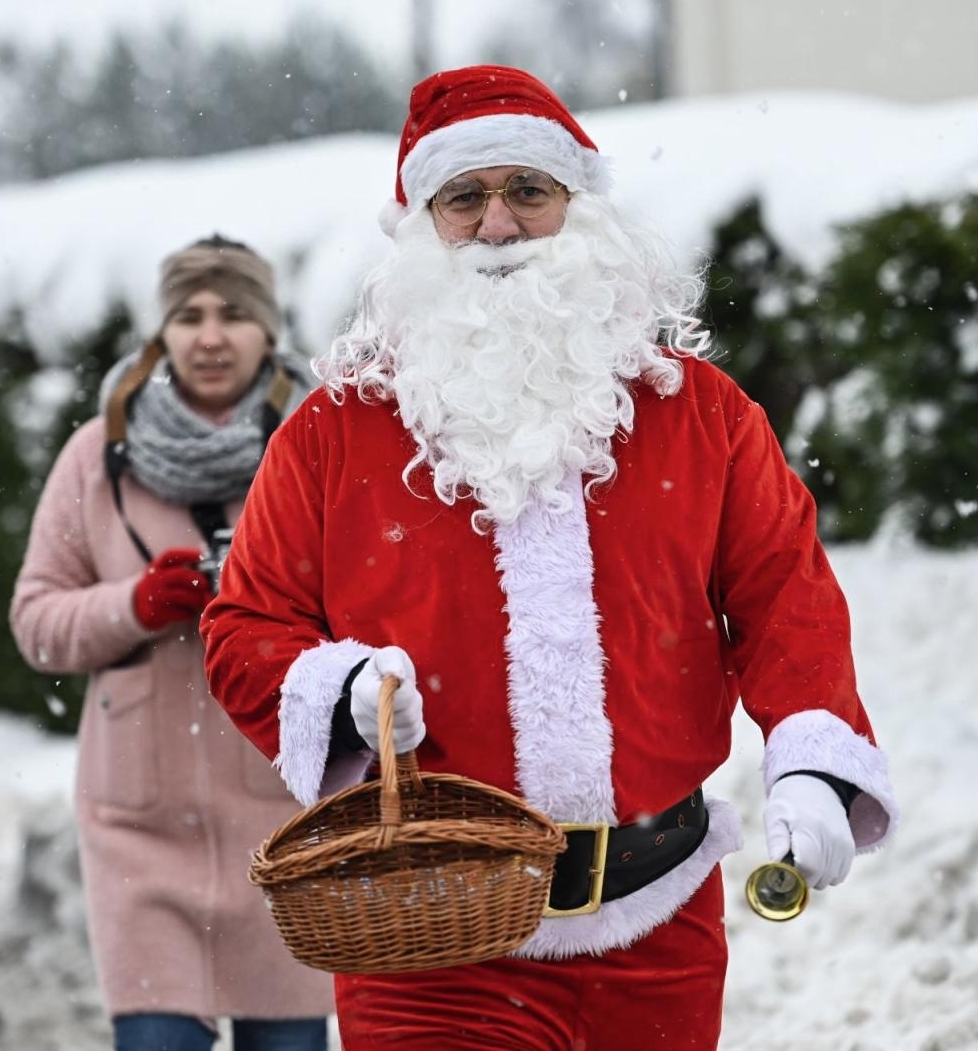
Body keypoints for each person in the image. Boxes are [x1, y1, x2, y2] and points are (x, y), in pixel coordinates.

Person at [202, 67, 898, 1049]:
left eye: (529, 192)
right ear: (419, 224)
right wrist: (339, 687)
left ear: (582, 210)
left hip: (660, 925)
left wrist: (813, 761)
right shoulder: (334, 433)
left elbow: (787, 599)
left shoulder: (701, 414)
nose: (498, 227)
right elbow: (245, 627)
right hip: (426, 934)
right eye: (464, 198)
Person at [11, 237, 332, 1051]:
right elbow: (36, 621)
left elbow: (373, 609)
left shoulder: (318, 447)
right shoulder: (97, 455)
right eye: (188, 315)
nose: (210, 336)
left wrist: (269, 611)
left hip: (286, 826)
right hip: (140, 832)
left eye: (234, 314)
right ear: (162, 333)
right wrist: (135, 603)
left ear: (269, 329)